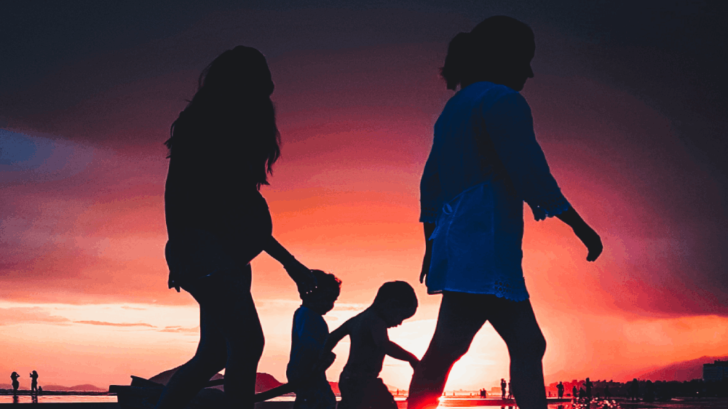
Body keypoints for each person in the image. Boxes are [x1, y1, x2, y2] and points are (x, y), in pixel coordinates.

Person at [407, 15, 603, 409]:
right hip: (485, 239)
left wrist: (431, 242)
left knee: (504, 344)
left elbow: (431, 182)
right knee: (468, 347)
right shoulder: (503, 100)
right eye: (525, 60)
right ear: (503, 58)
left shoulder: (454, 107)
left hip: (461, 238)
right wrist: (580, 226)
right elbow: (530, 171)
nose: (530, 73)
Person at [155, 46, 316, 409]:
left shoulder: (237, 128)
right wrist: (180, 247)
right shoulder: (204, 123)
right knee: (246, 342)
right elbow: (176, 191)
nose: (270, 89)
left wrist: (290, 263)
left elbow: (242, 214)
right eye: (262, 80)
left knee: (214, 353)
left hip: (229, 253)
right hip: (203, 249)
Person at [318, 281, 419, 409]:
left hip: (347, 378)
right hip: (364, 380)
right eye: (401, 317)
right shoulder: (376, 320)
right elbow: (384, 344)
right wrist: (410, 358)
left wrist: (321, 356)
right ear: (390, 305)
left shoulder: (357, 319)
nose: (399, 323)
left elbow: (332, 337)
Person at [286, 270, 341, 409]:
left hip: (310, 369)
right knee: (321, 400)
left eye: (333, 300)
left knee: (321, 399)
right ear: (310, 294)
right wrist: (326, 353)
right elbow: (306, 341)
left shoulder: (311, 315)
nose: (330, 304)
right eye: (327, 298)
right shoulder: (306, 314)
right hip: (304, 369)